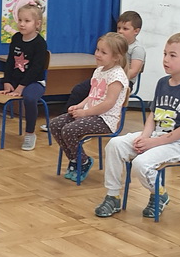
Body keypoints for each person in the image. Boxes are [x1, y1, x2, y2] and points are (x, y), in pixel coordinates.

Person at [94, 31, 180, 219]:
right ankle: (113, 196)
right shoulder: (162, 83)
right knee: (115, 145)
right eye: (165, 53)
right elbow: (153, 114)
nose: (165, 59)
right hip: (155, 136)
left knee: (140, 163)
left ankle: (159, 193)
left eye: (172, 55)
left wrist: (153, 142)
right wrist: (144, 136)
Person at [51, 32, 129, 183]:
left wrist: (85, 112)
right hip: (90, 114)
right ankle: (75, 159)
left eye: (103, 52)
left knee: (69, 130)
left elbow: (108, 103)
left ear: (116, 57)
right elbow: (93, 95)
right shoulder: (99, 70)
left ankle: (84, 161)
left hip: (105, 120)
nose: (97, 54)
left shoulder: (117, 76)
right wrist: (79, 106)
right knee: (55, 124)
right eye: (97, 50)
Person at [0, 3, 48, 151]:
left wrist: (21, 87)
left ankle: (30, 134)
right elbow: (10, 62)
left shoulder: (40, 44)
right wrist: (7, 82)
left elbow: (35, 70)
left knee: (30, 98)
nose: (22, 24)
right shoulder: (16, 38)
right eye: (20, 20)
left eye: (27, 21)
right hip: (14, 81)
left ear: (37, 24)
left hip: (34, 82)